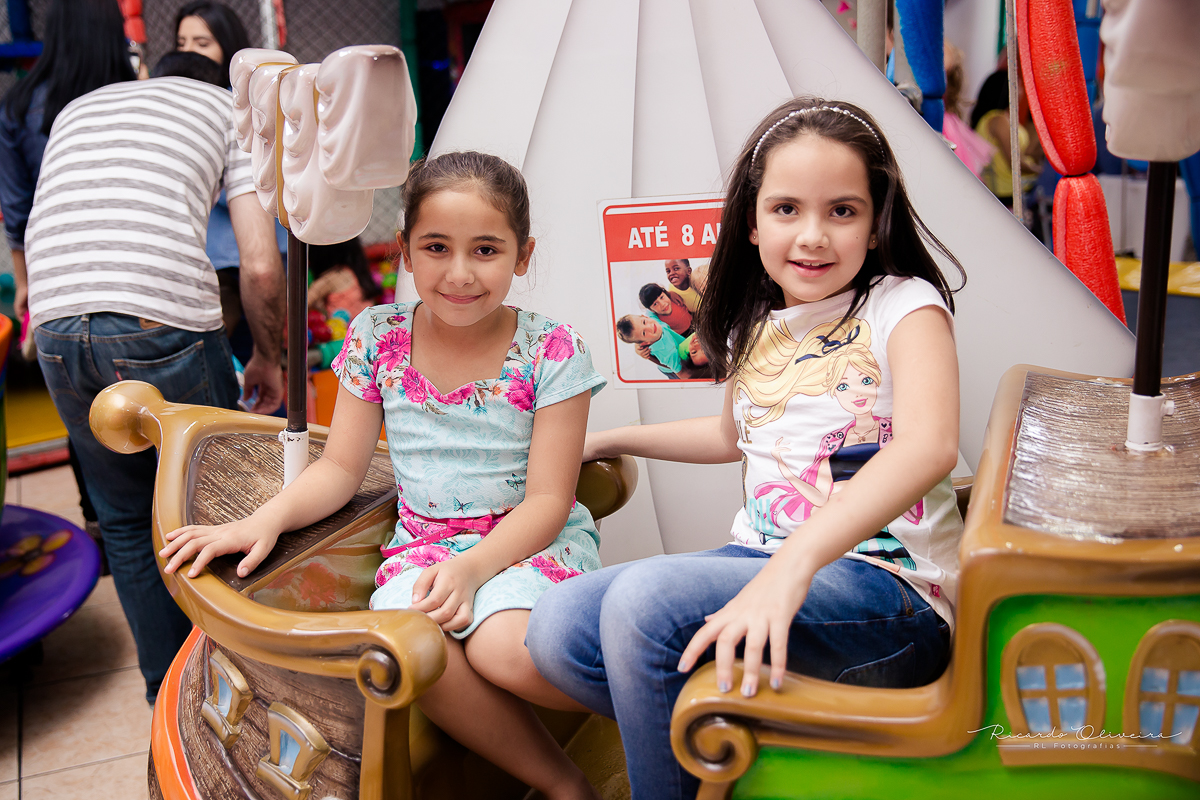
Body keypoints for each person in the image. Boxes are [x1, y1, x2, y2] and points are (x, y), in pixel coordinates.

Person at [527, 98, 965, 800]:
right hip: (763, 563)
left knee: (643, 606)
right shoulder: (762, 321)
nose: (813, 235)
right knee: (557, 626)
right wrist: (603, 438)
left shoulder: (903, 305)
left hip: (891, 596)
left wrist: (793, 564)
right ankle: (731, 739)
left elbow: (929, 446)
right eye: (787, 209)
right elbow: (731, 436)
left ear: (877, 224)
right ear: (753, 224)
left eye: (843, 211)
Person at [159, 152, 605, 800]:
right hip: (421, 551)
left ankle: (668, 713)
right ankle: (565, 786)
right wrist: (263, 520)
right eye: (436, 247)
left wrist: (475, 568)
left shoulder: (553, 349)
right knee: (403, 646)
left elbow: (548, 498)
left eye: (485, 249)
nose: (459, 273)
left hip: (526, 542)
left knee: (502, 649)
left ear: (523, 254)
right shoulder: (377, 337)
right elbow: (340, 467)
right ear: (404, 250)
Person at [25, 51, 285, 704]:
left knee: (124, 517)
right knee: (224, 501)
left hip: (53, 326)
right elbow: (258, 266)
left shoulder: (81, 109)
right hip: (153, 319)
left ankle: (167, 696)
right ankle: (239, 696)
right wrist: (270, 358)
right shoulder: (230, 108)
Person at [0, 0, 138, 565]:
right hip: (138, 279)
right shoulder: (134, 100)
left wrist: (29, 290)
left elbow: (18, 210)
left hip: (59, 278)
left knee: (86, 424)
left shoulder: (21, 106)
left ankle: (104, 528)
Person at [174, 0, 288, 365]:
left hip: (243, 257)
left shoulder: (244, 105)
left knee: (245, 354)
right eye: (182, 43)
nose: (190, 52)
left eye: (202, 43)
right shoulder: (183, 103)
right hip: (206, 258)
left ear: (229, 49)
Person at [616, 313, 685, 376]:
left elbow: (649, 308)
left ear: (645, 316)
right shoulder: (667, 353)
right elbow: (682, 374)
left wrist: (637, 346)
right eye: (644, 333)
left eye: (644, 322)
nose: (650, 327)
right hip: (672, 370)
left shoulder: (652, 320)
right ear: (645, 342)